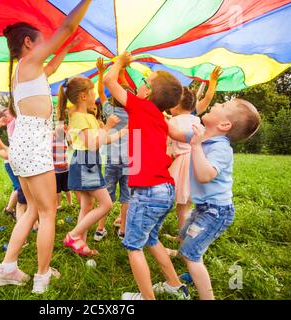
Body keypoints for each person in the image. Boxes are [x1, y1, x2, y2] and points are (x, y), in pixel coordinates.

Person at [0, 0, 93, 294]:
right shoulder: (29, 64)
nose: (46, 45)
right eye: (42, 42)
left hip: (21, 145)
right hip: (34, 144)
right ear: (27, 42)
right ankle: (42, 277)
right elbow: (68, 25)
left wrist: (66, 46)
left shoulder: (25, 70)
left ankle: (7, 268)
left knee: (34, 207)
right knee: (49, 211)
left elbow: (55, 65)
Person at [103, 51, 191, 300]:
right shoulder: (159, 118)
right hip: (165, 189)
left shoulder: (140, 107)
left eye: (145, 80)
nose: (141, 83)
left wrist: (120, 62)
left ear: (148, 93)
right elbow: (176, 135)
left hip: (148, 191)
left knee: (133, 246)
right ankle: (175, 286)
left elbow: (110, 82)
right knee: (152, 238)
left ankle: (146, 298)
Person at [164, 98, 261, 300]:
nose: (216, 104)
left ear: (224, 125)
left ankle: (206, 296)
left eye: (222, 106)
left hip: (216, 212)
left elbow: (205, 175)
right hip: (203, 207)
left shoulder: (221, 148)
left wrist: (197, 146)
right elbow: (174, 134)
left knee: (192, 254)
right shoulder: (201, 133)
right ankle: (188, 264)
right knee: (184, 236)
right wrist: (156, 114)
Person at [59, 76, 124, 257]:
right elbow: (93, 144)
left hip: (90, 161)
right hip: (85, 162)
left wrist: (120, 133)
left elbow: (101, 141)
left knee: (87, 206)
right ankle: (73, 235)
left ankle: (81, 244)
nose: (95, 95)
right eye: (93, 92)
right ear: (83, 96)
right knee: (106, 204)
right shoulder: (79, 118)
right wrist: (107, 126)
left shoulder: (87, 117)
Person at [167, 66, 222, 230]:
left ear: (175, 106)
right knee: (186, 206)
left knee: (180, 207)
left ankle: (184, 241)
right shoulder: (195, 119)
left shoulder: (172, 122)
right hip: (197, 162)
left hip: (181, 166)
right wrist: (212, 82)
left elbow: (168, 147)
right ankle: (184, 234)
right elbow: (207, 99)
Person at [94, 57, 131, 241]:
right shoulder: (135, 112)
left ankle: (100, 229)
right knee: (127, 196)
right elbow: (124, 90)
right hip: (132, 160)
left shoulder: (110, 111)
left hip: (112, 159)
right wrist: (122, 68)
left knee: (106, 195)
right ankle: (123, 229)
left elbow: (101, 91)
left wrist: (101, 73)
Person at [53, 124, 73, 209]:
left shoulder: (59, 141)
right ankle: (60, 204)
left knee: (64, 189)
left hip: (63, 169)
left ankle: (68, 203)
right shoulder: (61, 141)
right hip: (59, 170)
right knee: (60, 189)